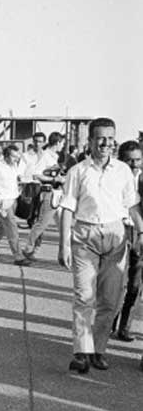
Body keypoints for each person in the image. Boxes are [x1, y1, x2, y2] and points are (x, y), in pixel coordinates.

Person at [58, 118, 143, 374]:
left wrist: (141, 231)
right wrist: (64, 245)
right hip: (85, 236)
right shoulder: (78, 171)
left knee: (110, 300)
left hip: (115, 236)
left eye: (110, 138)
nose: (106, 143)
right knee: (84, 296)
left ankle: (98, 350)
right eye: (100, 138)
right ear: (91, 141)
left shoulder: (123, 171)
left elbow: (132, 206)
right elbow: (67, 208)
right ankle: (81, 353)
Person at [113, 140, 143, 342]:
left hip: (139, 233)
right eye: (129, 160)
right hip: (118, 231)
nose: (134, 164)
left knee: (135, 284)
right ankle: (108, 323)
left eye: (138, 160)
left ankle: (124, 327)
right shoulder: (114, 178)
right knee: (116, 282)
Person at [23, 131, 66, 259]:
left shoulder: (54, 156)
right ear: (57, 142)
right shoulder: (45, 156)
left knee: (64, 225)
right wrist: (54, 179)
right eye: (62, 143)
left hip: (57, 193)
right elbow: (37, 174)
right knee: (42, 223)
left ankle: (66, 252)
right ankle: (29, 248)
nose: (63, 146)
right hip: (48, 193)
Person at [0, 144, 30, 266]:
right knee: (12, 229)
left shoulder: (13, 166)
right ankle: (18, 256)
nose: (16, 159)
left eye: (17, 156)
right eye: (13, 156)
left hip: (12, 200)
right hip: (3, 202)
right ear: (6, 155)